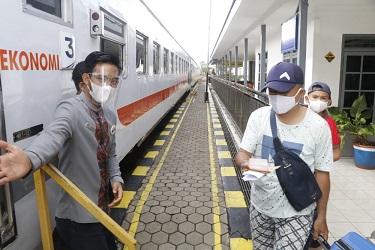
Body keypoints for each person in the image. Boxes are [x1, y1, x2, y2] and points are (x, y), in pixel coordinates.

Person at [0, 51, 124, 250]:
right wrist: (31, 158)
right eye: (101, 79)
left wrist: (116, 178)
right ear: (86, 78)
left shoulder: (109, 114)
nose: (107, 86)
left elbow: (111, 152)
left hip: (102, 211)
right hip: (78, 219)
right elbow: (53, 134)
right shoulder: (70, 109)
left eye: (113, 81)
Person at [235, 62, 333, 249]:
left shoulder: (318, 127)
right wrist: (246, 163)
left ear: (301, 93)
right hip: (260, 207)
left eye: (284, 92)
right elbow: (242, 154)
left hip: (298, 212)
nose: (277, 97)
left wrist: (321, 217)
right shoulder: (258, 117)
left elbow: (322, 173)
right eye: (273, 91)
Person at [304, 81, 341, 250]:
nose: (319, 100)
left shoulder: (329, 124)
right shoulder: (301, 117)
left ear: (330, 101)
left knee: (316, 208)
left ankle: (313, 239)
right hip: (300, 175)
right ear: (307, 98)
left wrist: (315, 161)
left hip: (316, 176)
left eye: (323, 98)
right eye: (315, 97)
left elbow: (336, 153)